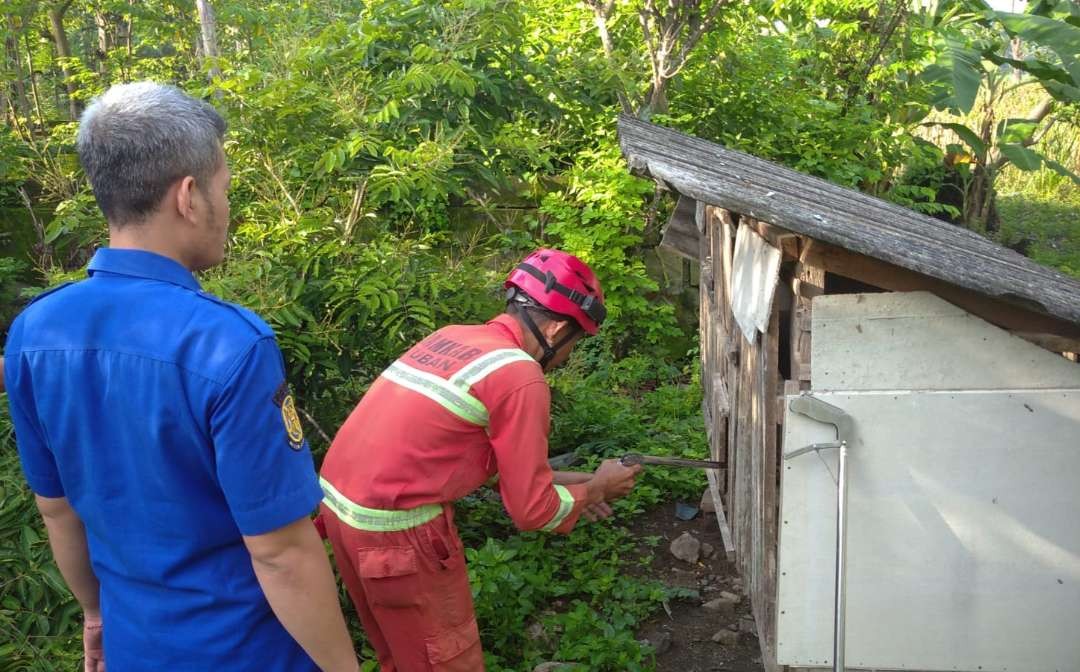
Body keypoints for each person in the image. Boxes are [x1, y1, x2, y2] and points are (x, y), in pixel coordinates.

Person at [2, 82, 359, 672]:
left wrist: (96, 617)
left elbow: (58, 511)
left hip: (134, 647)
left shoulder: (35, 332)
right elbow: (280, 553)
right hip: (245, 652)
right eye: (224, 189)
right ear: (189, 196)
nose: (228, 208)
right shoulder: (229, 343)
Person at [318, 248, 643, 671]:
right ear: (558, 328)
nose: (566, 359)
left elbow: (461, 457)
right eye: (574, 344)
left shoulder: (454, 338)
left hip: (344, 521)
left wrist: (581, 483)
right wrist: (598, 489)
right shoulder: (521, 375)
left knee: (401, 657)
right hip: (400, 538)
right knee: (445, 660)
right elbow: (532, 512)